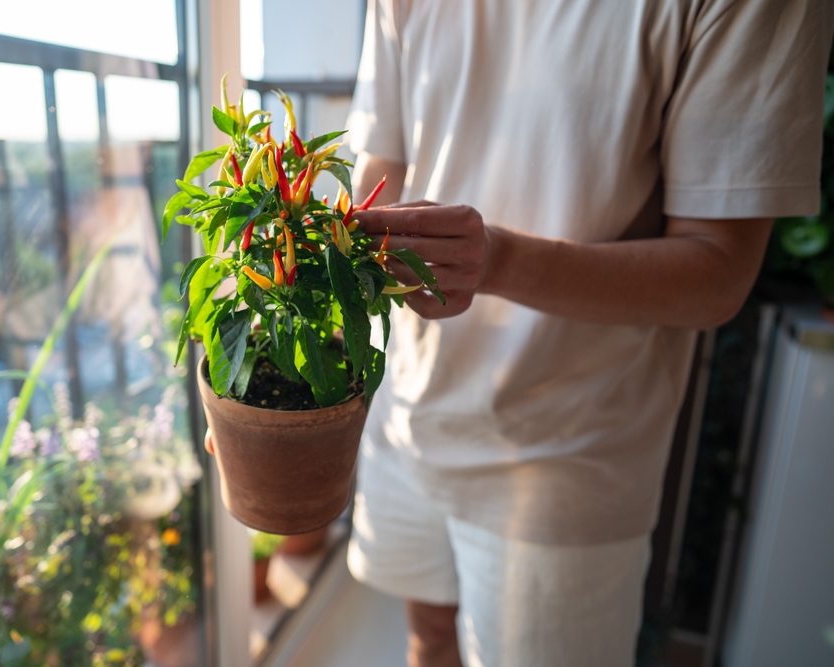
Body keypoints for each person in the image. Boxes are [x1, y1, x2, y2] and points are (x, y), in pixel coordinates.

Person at [344, 1, 834, 665]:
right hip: (411, 406)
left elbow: (718, 272)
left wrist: (499, 259)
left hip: (570, 450)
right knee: (429, 635)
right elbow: (383, 170)